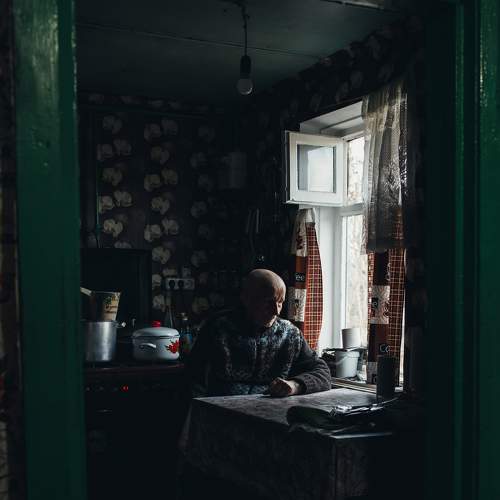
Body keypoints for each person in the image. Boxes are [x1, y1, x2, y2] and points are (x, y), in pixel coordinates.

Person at [186, 268, 331, 398]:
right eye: (269, 302)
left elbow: (322, 372)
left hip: (270, 413)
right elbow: (193, 376)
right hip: (221, 411)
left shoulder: (291, 334)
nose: (276, 311)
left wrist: (295, 385)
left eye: (280, 302)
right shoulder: (217, 328)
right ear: (246, 299)